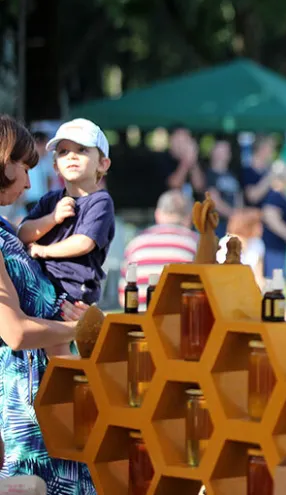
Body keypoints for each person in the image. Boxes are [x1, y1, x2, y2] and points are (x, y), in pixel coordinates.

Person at [0, 114, 95, 493]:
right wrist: (78, 329)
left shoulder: (7, 228)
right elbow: (16, 332)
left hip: (46, 392)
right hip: (24, 406)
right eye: (23, 166)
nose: (28, 181)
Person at [18, 118, 115, 305]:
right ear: (55, 167)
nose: (71, 156)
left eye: (82, 150)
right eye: (63, 152)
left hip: (75, 291)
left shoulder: (100, 202)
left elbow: (84, 242)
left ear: (102, 164)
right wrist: (52, 218)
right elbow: (23, 233)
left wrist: (44, 251)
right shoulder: (50, 200)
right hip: (42, 283)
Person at [118, 190, 198, 307]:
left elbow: (123, 298)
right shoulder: (197, 243)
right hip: (181, 320)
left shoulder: (135, 244)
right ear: (189, 218)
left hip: (140, 320)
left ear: (158, 214)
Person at [260, 161, 286, 280]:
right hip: (273, 248)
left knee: (276, 283)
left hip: (279, 249)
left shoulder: (282, 196)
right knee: (273, 284)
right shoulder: (275, 196)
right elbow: (270, 218)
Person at [205, 139, 242, 237]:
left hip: (232, 226)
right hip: (215, 226)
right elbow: (214, 201)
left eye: (225, 151)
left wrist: (240, 216)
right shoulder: (208, 174)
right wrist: (235, 215)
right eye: (220, 150)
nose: (222, 154)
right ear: (212, 152)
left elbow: (238, 197)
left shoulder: (233, 175)